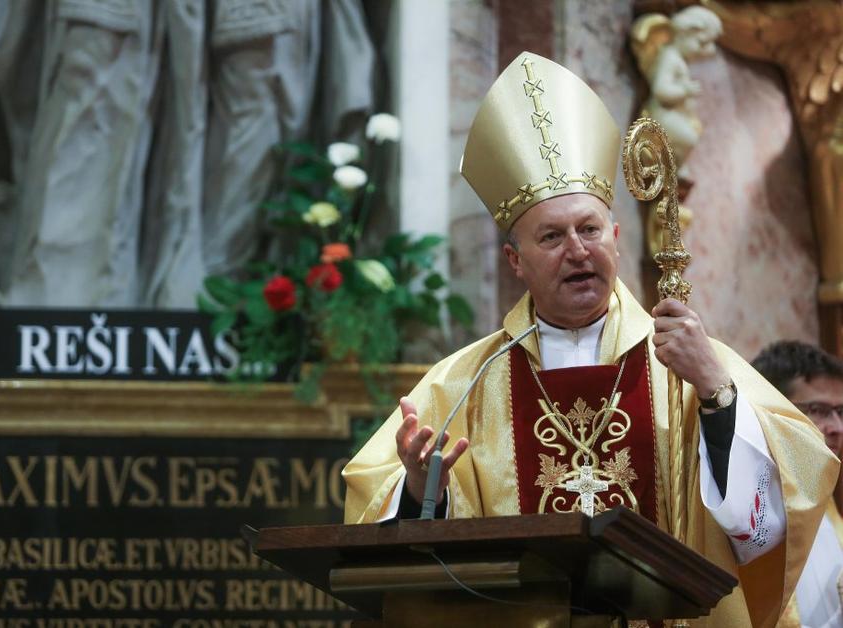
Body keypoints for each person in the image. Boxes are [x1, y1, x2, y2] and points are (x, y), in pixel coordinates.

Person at [342, 51, 837, 627]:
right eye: (552, 237)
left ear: (616, 238)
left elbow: (777, 518)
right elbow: (381, 531)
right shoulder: (464, 386)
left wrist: (717, 395)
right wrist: (420, 488)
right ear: (515, 261)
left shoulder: (689, 361)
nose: (578, 250)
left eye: (590, 229)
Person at [753, 341, 843, 628]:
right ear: (772, 409)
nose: (838, 428)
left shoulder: (823, 497)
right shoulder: (749, 513)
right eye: (819, 409)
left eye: (841, 411)